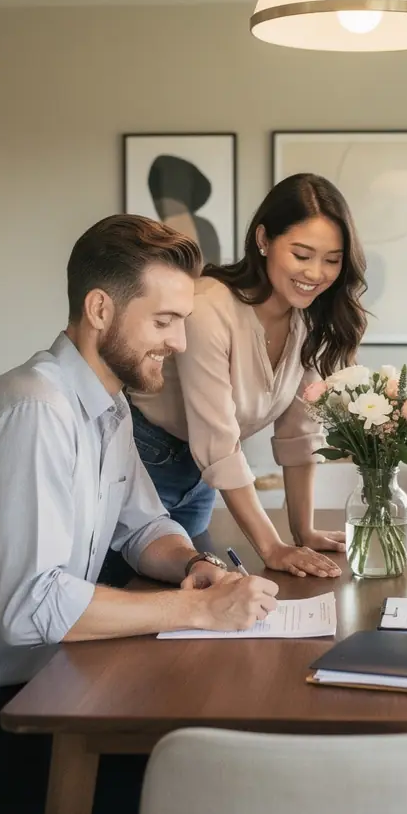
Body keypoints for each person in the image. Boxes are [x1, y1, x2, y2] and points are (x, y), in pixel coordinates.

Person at [0, 214, 279, 814]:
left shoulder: (105, 404)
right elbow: (33, 607)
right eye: (164, 321)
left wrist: (192, 566)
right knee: (203, 789)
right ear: (99, 308)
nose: (178, 342)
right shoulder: (33, 411)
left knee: (202, 754)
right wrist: (199, 609)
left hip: (27, 691)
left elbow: (145, 524)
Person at [123, 172, 368, 579]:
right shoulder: (206, 309)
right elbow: (218, 441)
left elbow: (298, 434)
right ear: (263, 240)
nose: (316, 273)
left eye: (332, 259)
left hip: (202, 475)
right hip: (144, 461)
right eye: (302, 254)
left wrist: (301, 531)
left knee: (190, 597)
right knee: (133, 592)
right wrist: (271, 547)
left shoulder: (307, 318)